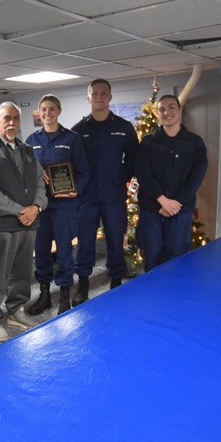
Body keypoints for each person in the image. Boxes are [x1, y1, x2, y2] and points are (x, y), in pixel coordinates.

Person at [0, 102, 47, 343]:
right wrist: (21, 211)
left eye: (16, 118)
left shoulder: (28, 150)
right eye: (6, 118)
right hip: (2, 225)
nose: (12, 123)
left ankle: (17, 309)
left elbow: (40, 181)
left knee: (23, 271)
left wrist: (36, 207)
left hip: (28, 224)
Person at [72, 79, 139, 302]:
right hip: (87, 197)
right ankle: (82, 284)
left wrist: (121, 177)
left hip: (113, 196)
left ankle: (116, 282)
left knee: (115, 241)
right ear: (88, 97)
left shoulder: (123, 127)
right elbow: (70, 163)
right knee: (85, 243)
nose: (99, 97)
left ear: (110, 97)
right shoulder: (78, 130)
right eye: (95, 93)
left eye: (104, 93)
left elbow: (133, 158)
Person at [25, 94, 89, 315]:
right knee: (41, 252)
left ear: (59, 111)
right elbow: (24, 173)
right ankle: (44, 295)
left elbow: (83, 172)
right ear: (39, 112)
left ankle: (64, 296)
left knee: (63, 252)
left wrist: (75, 189)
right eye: (43, 109)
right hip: (39, 208)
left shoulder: (72, 139)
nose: (47, 113)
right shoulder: (31, 141)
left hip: (64, 206)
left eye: (51, 109)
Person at [135, 94, 208, 271]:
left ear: (180, 109)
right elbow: (144, 174)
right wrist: (162, 200)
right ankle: (152, 294)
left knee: (177, 257)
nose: (167, 112)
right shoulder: (149, 142)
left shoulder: (195, 142)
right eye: (162, 109)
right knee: (152, 255)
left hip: (180, 209)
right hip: (152, 209)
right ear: (158, 113)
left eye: (171, 107)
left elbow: (196, 176)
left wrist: (175, 204)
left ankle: (173, 296)